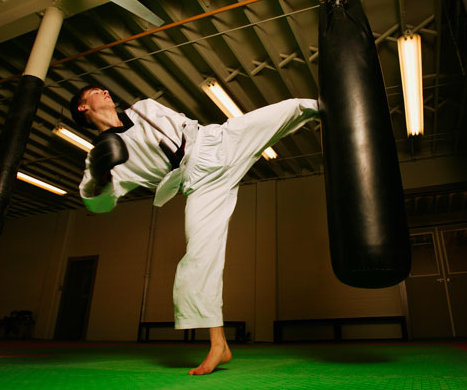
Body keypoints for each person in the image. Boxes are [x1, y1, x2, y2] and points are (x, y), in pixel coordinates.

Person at [71, 85, 319, 374]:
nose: (104, 91)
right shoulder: (99, 154)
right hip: (199, 185)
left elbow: (185, 128)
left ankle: (332, 107)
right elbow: (98, 205)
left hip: (215, 143)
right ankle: (219, 345)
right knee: (198, 260)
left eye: (104, 89)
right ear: (82, 107)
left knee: (290, 108)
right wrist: (100, 181)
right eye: (94, 91)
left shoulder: (145, 108)